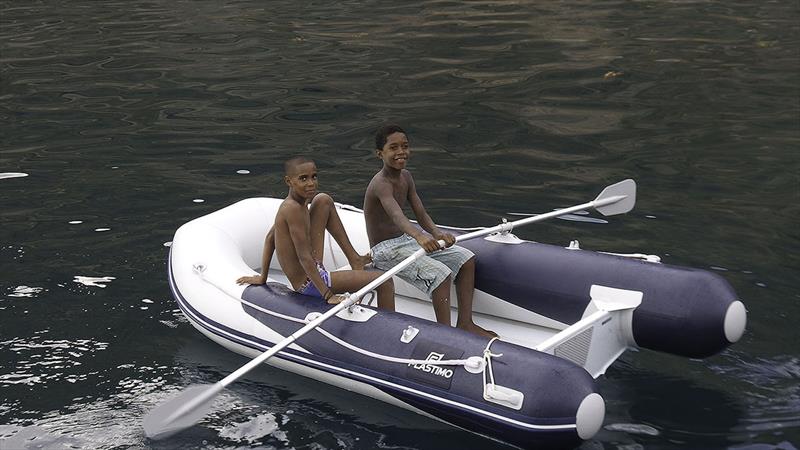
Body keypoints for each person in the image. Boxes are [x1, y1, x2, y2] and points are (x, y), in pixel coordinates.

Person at [363, 125, 495, 338]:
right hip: (385, 250)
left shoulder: (406, 176)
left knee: (466, 259)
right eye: (393, 148)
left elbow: (420, 212)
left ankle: (465, 323)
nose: (401, 152)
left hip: (405, 240)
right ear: (380, 153)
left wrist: (436, 233)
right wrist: (419, 236)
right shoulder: (381, 184)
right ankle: (445, 334)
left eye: (405, 147)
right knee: (440, 275)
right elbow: (397, 215)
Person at [237, 156, 395, 311]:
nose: (311, 183)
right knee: (385, 282)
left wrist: (262, 276)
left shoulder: (298, 202)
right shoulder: (292, 210)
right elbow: (304, 257)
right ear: (289, 181)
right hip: (308, 283)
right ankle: (390, 330)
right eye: (303, 179)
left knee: (323, 200)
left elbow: (271, 237)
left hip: (313, 269)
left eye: (314, 177)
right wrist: (328, 295)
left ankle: (355, 259)